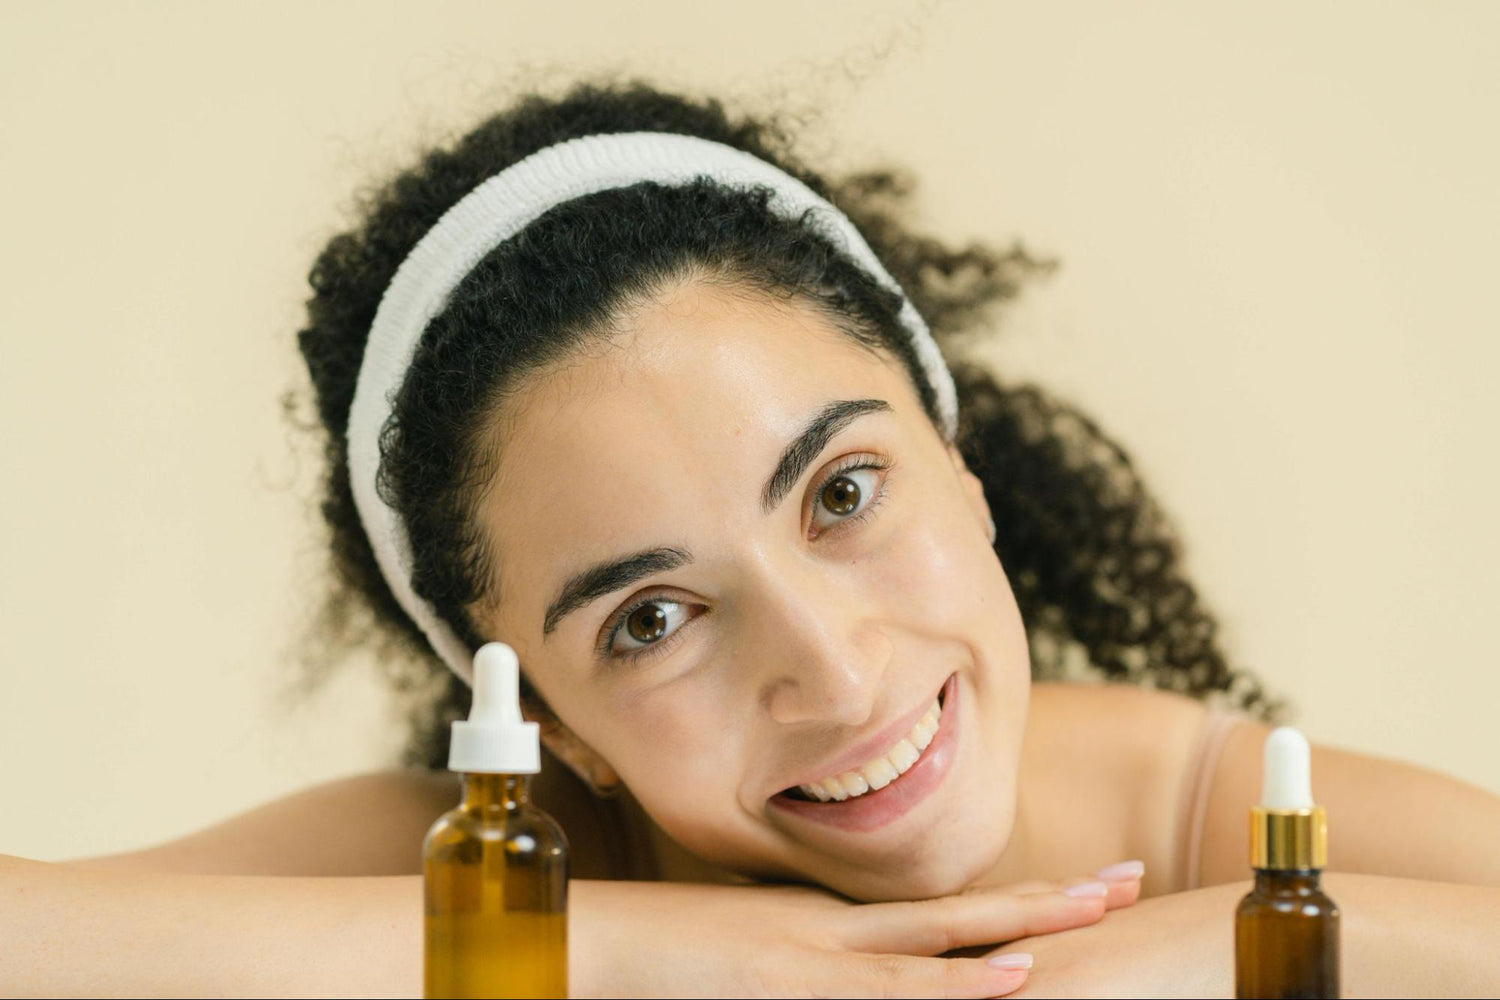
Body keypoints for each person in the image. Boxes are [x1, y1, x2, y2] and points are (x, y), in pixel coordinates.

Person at [6, 75, 1499, 998]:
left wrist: (1211, 950)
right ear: (545, 726)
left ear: (956, 460)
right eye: (648, 620)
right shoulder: (511, 866)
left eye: (841, 493)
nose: (836, 678)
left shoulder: (1202, 813)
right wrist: (635, 959)